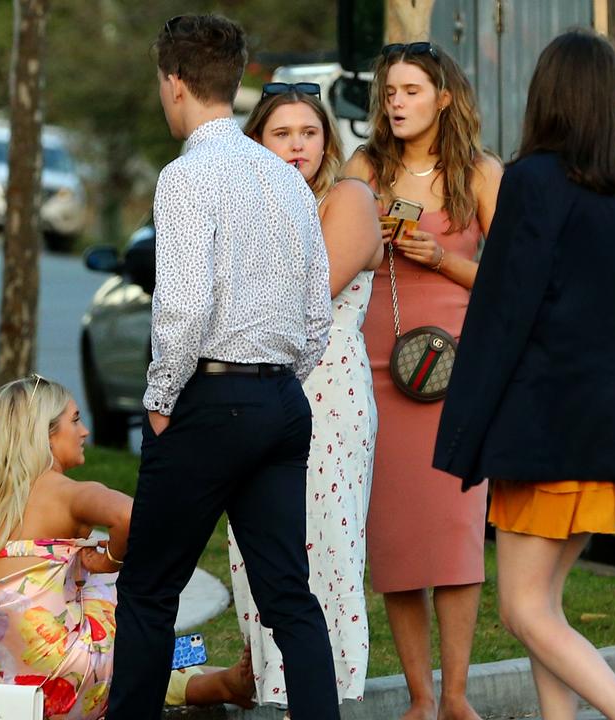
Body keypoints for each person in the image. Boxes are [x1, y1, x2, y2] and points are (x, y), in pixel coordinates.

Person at [432, 29, 615, 720]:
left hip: (544, 432)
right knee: (547, 606)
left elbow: (503, 313)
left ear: (548, 97)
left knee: (522, 610)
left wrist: (465, 427)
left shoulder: (531, 182)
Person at [107, 15, 338, 720]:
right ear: (234, 82)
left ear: (174, 83)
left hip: (210, 398)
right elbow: (315, 312)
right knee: (289, 595)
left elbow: (181, 305)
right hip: (280, 403)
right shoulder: (286, 179)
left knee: (149, 589)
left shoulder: (186, 177)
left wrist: (160, 396)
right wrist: (282, 381)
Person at [340, 41, 501, 720]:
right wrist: (366, 236)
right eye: (389, 92)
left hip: (456, 372)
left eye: (410, 90)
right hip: (378, 372)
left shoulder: (481, 174)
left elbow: (514, 283)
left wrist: (441, 257)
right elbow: (333, 259)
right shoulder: (365, 169)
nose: (395, 102)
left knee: (456, 533)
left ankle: (458, 696)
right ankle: (419, 696)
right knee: (398, 537)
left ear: (443, 97)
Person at [0, 375, 256, 718]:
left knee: (82, 581)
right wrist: (110, 559)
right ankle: (197, 665)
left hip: (5, 692)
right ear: (45, 434)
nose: (84, 431)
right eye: (75, 420)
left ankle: (214, 677)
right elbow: (132, 516)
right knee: (119, 586)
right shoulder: (67, 494)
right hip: (67, 687)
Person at [227, 83, 382, 707]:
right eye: (281, 133)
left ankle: (324, 691)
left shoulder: (346, 198)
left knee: (325, 541)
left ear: (328, 139)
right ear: (257, 142)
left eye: (309, 132)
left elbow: (307, 297)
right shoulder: (245, 207)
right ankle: (272, 687)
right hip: (254, 388)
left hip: (327, 387)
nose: (297, 146)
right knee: (259, 542)